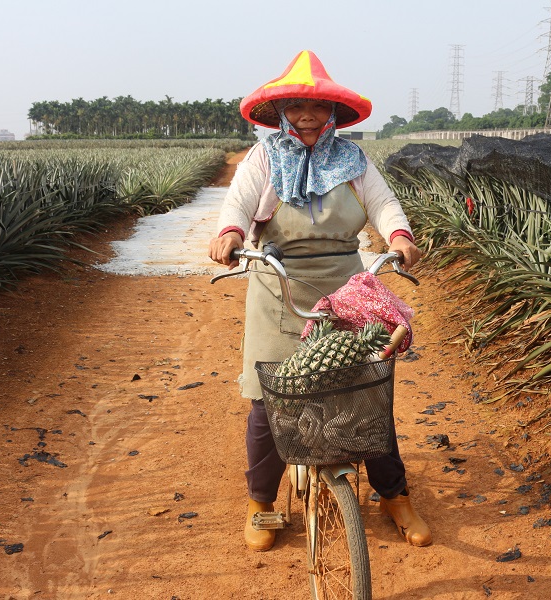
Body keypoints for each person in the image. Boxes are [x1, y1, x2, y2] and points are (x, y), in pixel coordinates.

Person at [208, 50, 432, 552]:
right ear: (281, 111)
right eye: (296, 105)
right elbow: (239, 205)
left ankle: (394, 494)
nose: (306, 115)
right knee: (268, 399)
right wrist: (228, 234)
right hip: (276, 280)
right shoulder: (263, 158)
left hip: (346, 286)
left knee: (367, 392)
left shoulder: (354, 159)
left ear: (332, 113)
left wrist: (399, 237)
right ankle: (262, 503)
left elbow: (384, 203)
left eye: (316, 106)